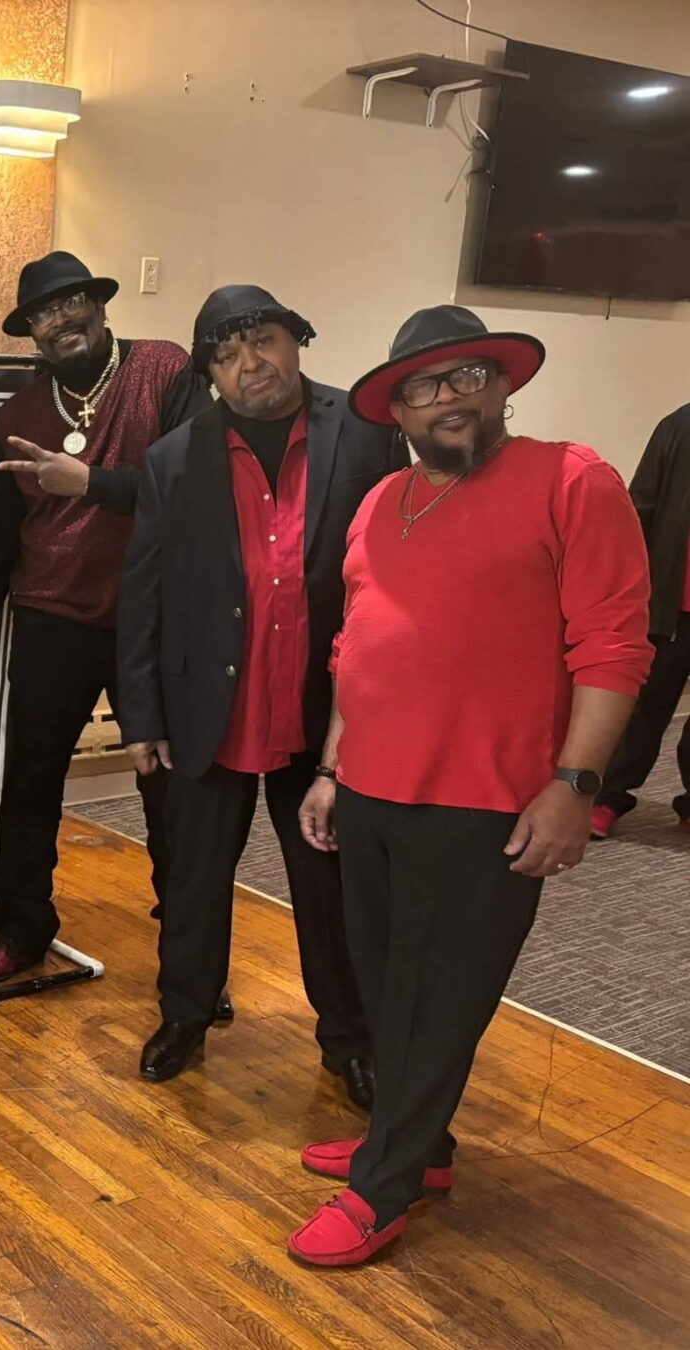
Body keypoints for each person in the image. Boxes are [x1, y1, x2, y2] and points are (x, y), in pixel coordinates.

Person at [289, 306, 651, 1267]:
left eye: (467, 376)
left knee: (437, 997)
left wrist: (575, 784)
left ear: (502, 385)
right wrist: (330, 768)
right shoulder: (382, 501)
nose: (446, 397)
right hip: (371, 787)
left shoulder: (571, 480)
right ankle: (420, 1144)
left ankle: (385, 1187)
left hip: (486, 799)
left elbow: (614, 647)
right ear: (398, 410)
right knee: (383, 984)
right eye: (423, 385)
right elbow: (354, 648)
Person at [117, 286, 402, 1099]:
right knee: (193, 879)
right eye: (227, 355)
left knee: (329, 887)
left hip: (322, 716)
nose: (251, 364)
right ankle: (185, 1013)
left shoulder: (368, 434)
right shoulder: (173, 459)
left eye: (264, 342)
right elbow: (142, 594)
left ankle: (349, 1037)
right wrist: (140, 712)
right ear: (209, 372)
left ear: (295, 341)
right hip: (207, 713)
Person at [0, 251, 210, 987]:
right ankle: (22, 927)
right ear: (32, 332)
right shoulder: (18, 413)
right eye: (45, 313)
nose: (61, 319)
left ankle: (191, 957)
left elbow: (201, 487)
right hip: (52, 616)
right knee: (30, 782)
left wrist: (91, 483)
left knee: (171, 792)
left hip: (156, 620)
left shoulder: (164, 369)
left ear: (100, 306)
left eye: (72, 301)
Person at [592, 401, 690, 838]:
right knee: (642, 709)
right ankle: (604, 797)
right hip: (670, 606)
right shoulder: (679, 427)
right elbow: (640, 508)